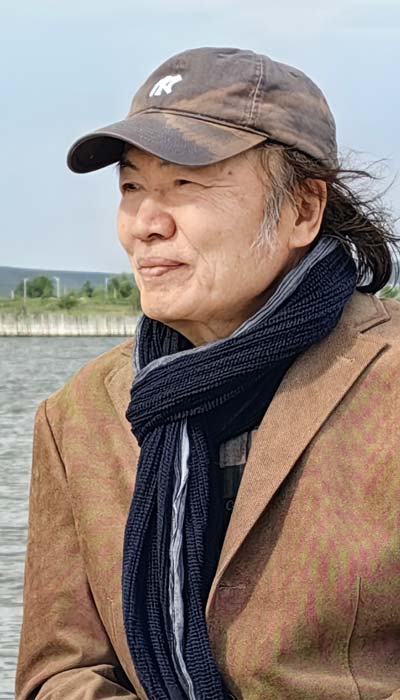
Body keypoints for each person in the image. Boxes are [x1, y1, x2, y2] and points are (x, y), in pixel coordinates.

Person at [15, 47, 400, 700]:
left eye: (185, 185)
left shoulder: (386, 382)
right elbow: (59, 671)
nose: (145, 224)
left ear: (304, 210)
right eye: (131, 188)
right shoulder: (77, 416)